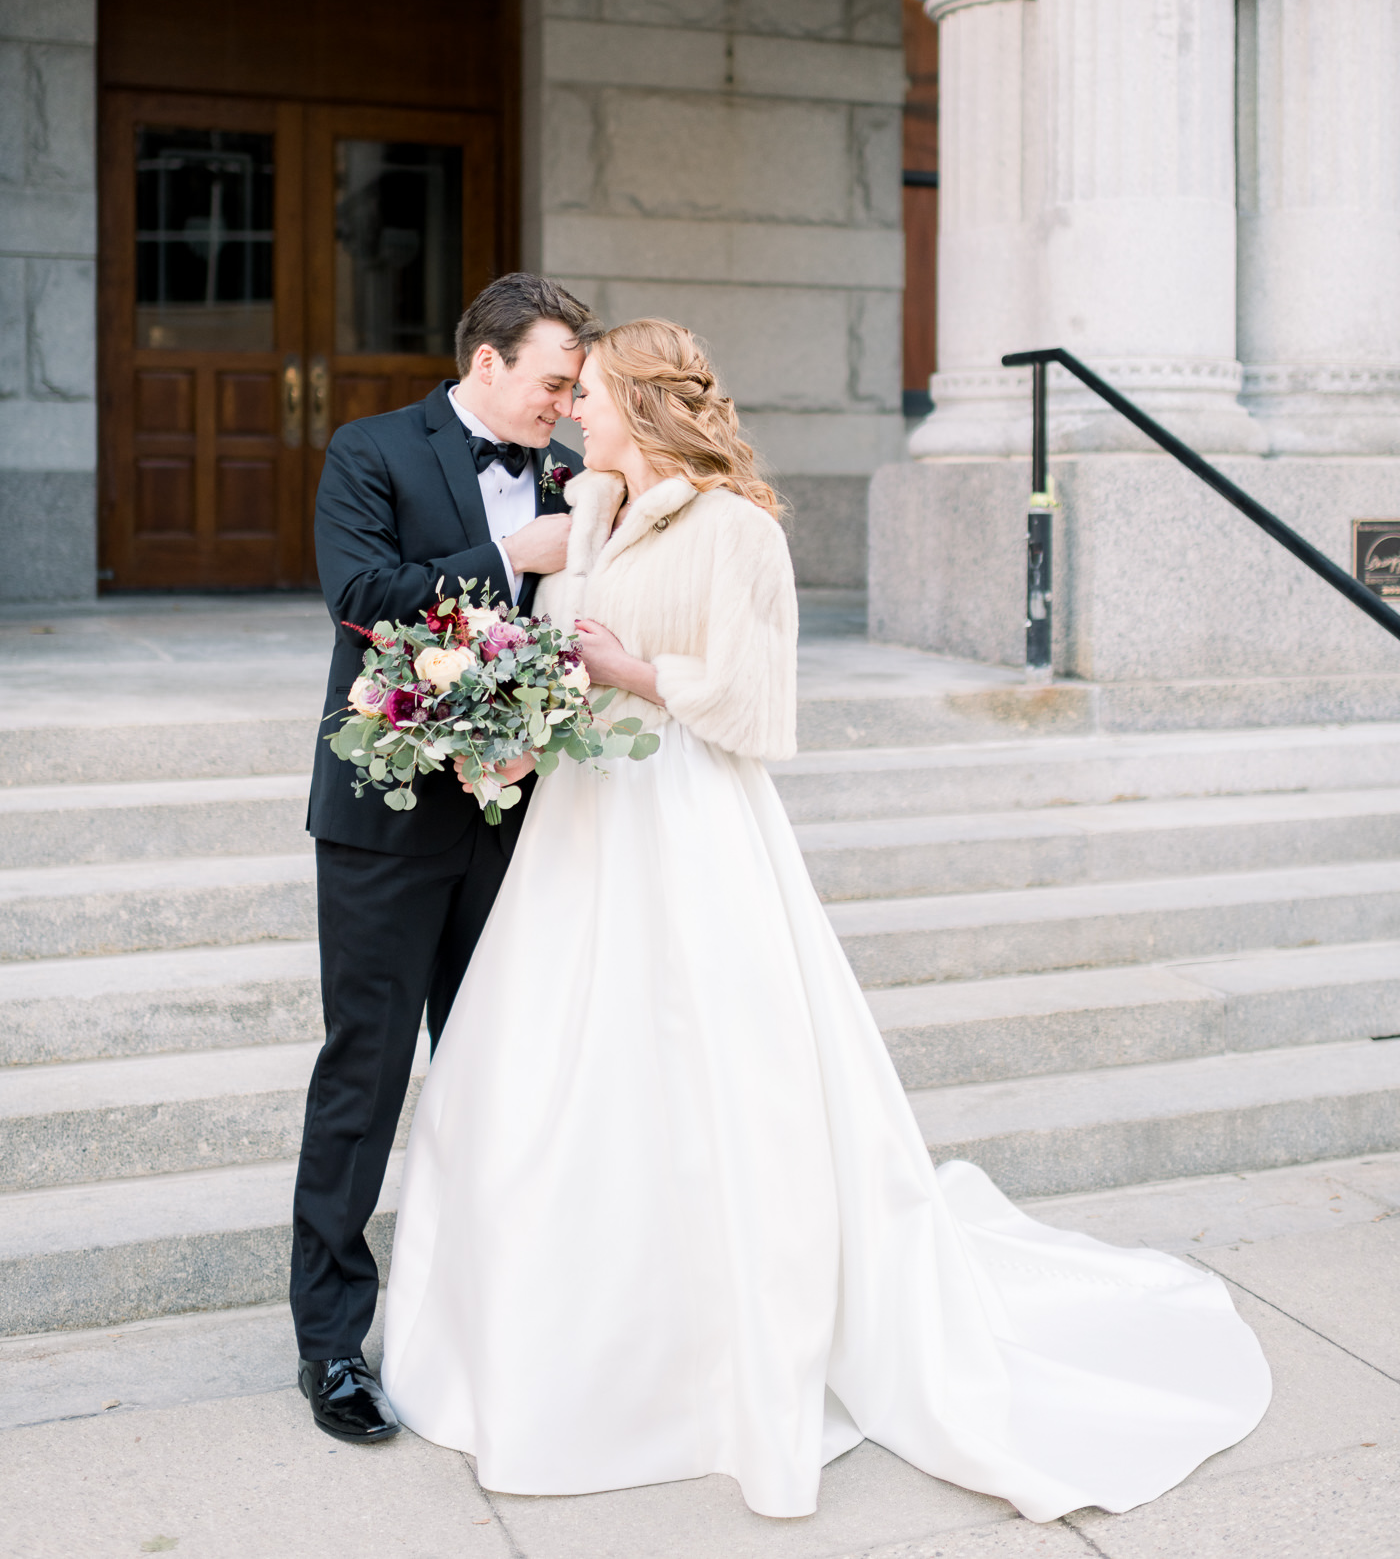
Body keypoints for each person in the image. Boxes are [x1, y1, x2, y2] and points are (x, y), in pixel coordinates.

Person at [380, 318, 1272, 1523]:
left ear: (640, 403)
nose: (574, 412)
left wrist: (628, 669)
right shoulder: (590, 509)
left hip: (682, 816)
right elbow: (529, 610)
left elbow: (756, 704)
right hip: (578, 822)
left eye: (588, 394)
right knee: (543, 1069)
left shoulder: (737, 530)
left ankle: (724, 1352)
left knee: (706, 1068)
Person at [292, 271, 599, 1445]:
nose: (563, 409)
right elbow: (363, 599)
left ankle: (484, 1320)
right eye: (552, 383)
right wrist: (510, 547)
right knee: (362, 1083)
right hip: (383, 822)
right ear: (486, 362)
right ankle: (332, 1348)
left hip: (519, 820)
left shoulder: (575, 475)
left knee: (500, 1076)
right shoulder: (370, 450)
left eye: (573, 391)